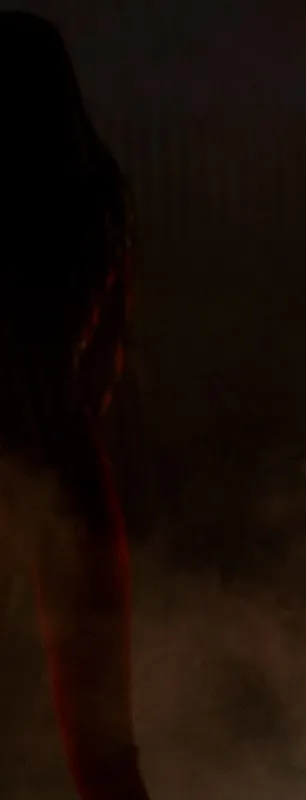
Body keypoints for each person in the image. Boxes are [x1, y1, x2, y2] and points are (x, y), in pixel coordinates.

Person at [0, 12, 151, 800]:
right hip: (67, 466)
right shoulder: (95, 198)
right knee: (102, 748)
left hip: (30, 459)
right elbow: (104, 364)